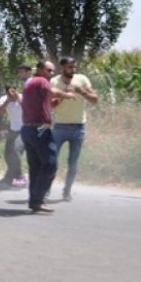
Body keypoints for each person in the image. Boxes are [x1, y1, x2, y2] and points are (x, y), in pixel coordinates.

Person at [20, 60, 76, 213]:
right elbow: (52, 92)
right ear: (39, 70)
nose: (51, 74)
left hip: (28, 130)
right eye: (48, 70)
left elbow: (49, 104)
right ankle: (38, 199)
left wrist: (62, 98)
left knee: (36, 168)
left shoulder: (33, 84)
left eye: (52, 71)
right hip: (39, 130)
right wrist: (68, 94)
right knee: (51, 164)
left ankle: (34, 201)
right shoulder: (40, 81)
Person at [51, 57, 98, 201]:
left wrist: (81, 91)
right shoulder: (54, 82)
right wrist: (63, 95)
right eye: (70, 67)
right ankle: (45, 190)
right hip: (60, 126)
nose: (73, 70)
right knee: (51, 160)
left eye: (74, 67)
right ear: (62, 68)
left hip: (78, 127)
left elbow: (95, 99)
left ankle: (67, 191)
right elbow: (50, 105)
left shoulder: (82, 79)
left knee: (73, 162)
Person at [0, 84, 26, 187]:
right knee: (7, 155)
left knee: (15, 151)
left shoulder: (22, 97)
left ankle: (20, 177)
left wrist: (17, 98)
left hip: (24, 129)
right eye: (9, 93)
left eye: (13, 92)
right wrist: (7, 101)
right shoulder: (4, 99)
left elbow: (28, 111)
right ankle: (9, 178)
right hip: (13, 129)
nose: (11, 95)